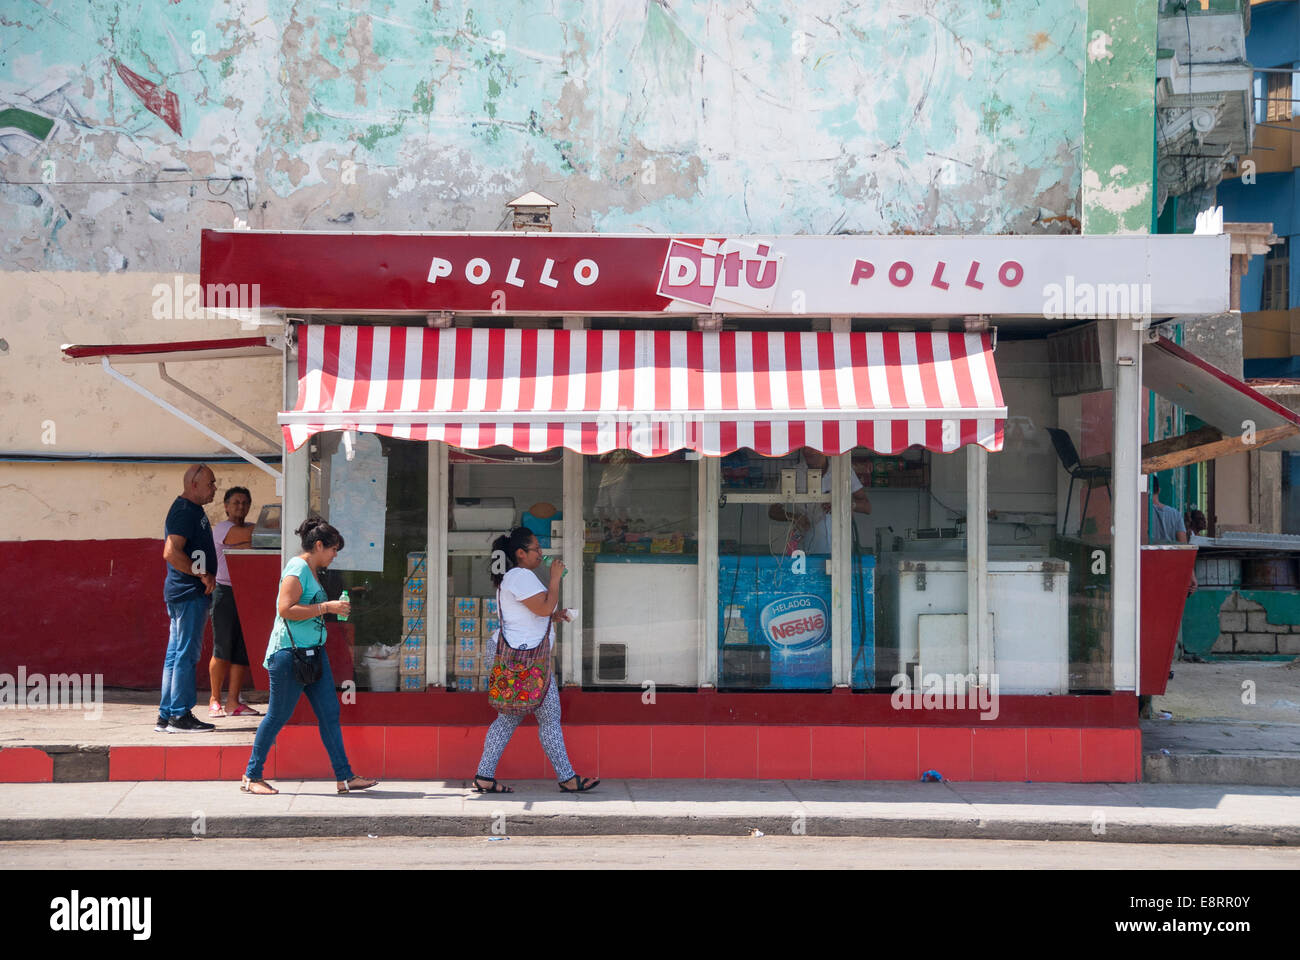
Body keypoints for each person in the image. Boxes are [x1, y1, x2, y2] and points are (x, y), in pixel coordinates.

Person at [240, 517, 378, 795]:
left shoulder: (314, 571)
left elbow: (310, 609)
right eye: (333, 549)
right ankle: (252, 776)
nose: (335, 555)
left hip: (314, 653)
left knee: (329, 713)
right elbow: (285, 609)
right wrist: (327, 607)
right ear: (318, 545)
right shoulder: (297, 567)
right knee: (278, 715)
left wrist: (332, 609)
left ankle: (345, 777)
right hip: (290, 655)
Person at [471, 526, 598, 794]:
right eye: (536, 549)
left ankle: (484, 776)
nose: (541, 553)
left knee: (508, 718)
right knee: (548, 717)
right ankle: (567, 778)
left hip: (516, 659)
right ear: (520, 553)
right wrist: (555, 578)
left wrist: (554, 616)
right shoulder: (520, 576)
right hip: (526, 662)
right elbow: (542, 606)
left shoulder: (515, 577)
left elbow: (530, 613)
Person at [156, 464, 218, 734]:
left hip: (185, 593)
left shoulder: (192, 509)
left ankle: (166, 714)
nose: (214, 488)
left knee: (175, 654)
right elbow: (171, 552)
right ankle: (180, 715)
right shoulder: (183, 511)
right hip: (187, 593)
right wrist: (202, 574)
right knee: (185, 655)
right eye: (211, 483)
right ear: (194, 484)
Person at [208, 487, 261, 718]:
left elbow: (257, 536)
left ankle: (233, 702)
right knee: (222, 649)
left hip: (247, 592)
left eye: (245, 503)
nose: (240, 506)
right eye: (236, 502)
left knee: (242, 651)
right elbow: (252, 537)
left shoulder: (249, 528)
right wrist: (261, 534)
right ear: (226, 506)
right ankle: (214, 699)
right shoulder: (222, 528)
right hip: (225, 592)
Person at [768, 447, 872, 554]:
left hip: (840, 552)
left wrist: (846, 505)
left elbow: (867, 507)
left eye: (812, 447)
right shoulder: (793, 474)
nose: (807, 452)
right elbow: (773, 511)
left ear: (824, 447)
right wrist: (795, 517)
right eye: (804, 448)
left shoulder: (843, 471)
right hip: (805, 551)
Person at [1148, 475, 1188, 545]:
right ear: (1159, 490)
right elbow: (1183, 544)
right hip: (1170, 555)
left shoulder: (1142, 513)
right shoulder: (1176, 514)